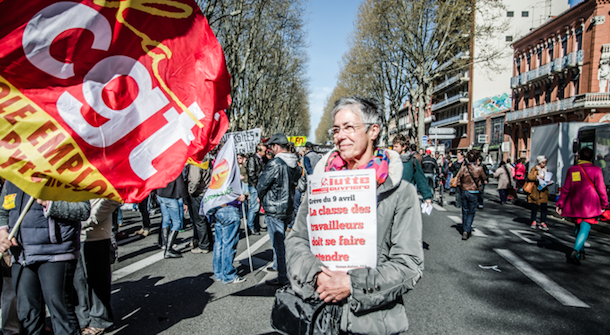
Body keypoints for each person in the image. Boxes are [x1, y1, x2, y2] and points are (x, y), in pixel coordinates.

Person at [285, 96, 423, 334]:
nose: (340, 136)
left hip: (373, 323)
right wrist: (317, 275)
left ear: (373, 131)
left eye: (349, 127)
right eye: (337, 129)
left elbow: (408, 264)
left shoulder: (401, 192)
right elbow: (296, 239)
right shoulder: (320, 184)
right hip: (318, 317)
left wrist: (352, 285)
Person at [0, 180, 91, 335]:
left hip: (56, 253)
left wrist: (50, 204)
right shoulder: (14, 174)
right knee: (27, 315)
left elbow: (83, 210)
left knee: (61, 311)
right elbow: (3, 210)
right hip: (21, 254)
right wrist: (3, 231)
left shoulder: (65, 172)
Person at [257, 133, 301, 286]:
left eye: (271, 147)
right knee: (281, 241)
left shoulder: (275, 163)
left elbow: (262, 184)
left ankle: (283, 276)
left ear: (276, 146)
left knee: (278, 244)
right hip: (287, 206)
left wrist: (260, 197)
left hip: (274, 207)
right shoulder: (294, 162)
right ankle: (278, 266)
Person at [75, 198, 120, 335]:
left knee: (98, 280)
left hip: (96, 234)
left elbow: (113, 199)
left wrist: (89, 220)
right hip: (73, 235)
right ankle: (82, 319)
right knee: (77, 281)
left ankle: (100, 320)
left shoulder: (103, 177)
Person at [556, 147, 609, 265]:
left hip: (575, 202)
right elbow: (601, 188)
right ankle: (576, 251)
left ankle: (581, 250)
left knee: (578, 227)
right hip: (591, 203)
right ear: (591, 158)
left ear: (579, 156)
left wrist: (560, 203)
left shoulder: (573, 170)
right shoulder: (596, 170)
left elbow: (566, 188)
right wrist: (605, 203)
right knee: (585, 227)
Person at [211, 194, 247, 284]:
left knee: (219, 244)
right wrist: (238, 197)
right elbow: (228, 192)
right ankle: (228, 275)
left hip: (218, 209)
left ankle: (219, 273)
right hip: (230, 209)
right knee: (229, 244)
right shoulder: (230, 179)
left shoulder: (217, 179)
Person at [392, 134, 433, 204]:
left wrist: (427, 196)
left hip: (407, 196)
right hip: (392, 196)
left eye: (396, 146)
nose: (393, 149)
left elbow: (420, 178)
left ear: (403, 147)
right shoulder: (390, 160)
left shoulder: (412, 161)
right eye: (393, 146)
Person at [155, 175, 189, 258]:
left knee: (165, 220)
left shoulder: (161, 166)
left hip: (160, 194)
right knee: (176, 223)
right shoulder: (176, 168)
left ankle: (165, 244)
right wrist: (185, 200)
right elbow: (181, 185)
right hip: (171, 196)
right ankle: (168, 249)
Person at [455, 150, 486, 240]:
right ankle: (467, 229)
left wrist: (460, 187)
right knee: (471, 212)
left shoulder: (464, 168)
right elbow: (484, 178)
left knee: (465, 210)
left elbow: (458, 179)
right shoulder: (479, 169)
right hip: (474, 191)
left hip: (464, 191)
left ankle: (465, 227)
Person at [185, 162, 213, 253]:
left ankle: (204, 245)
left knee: (199, 220)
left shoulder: (196, 163)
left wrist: (190, 191)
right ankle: (209, 242)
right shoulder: (206, 160)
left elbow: (195, 179)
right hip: (205, 192)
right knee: (203, 220)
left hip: (198, 193)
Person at [246, 143, 267, 234]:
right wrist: (256, 185)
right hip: (255, 186)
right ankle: (250, 226)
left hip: (259, 185)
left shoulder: (261, 159)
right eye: (264, 151)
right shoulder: (252, 159)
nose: (265, 153)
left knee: (257, 207)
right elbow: (251, 174)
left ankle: (256, 225)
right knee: (254, 207)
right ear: (258, 151)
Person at [528, 155, 550, 231]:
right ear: (540, 162)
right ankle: (533, 221)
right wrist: (537, 177)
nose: (544, 164)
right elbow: (530, 177)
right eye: (543, 162)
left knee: (544, 207)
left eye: (545, 162)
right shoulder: (534, 169)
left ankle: (543, 222)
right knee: (534, 206)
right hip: (536, 190)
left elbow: (547, 178)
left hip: (544, 190)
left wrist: (549, 181)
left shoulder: (546, 170)